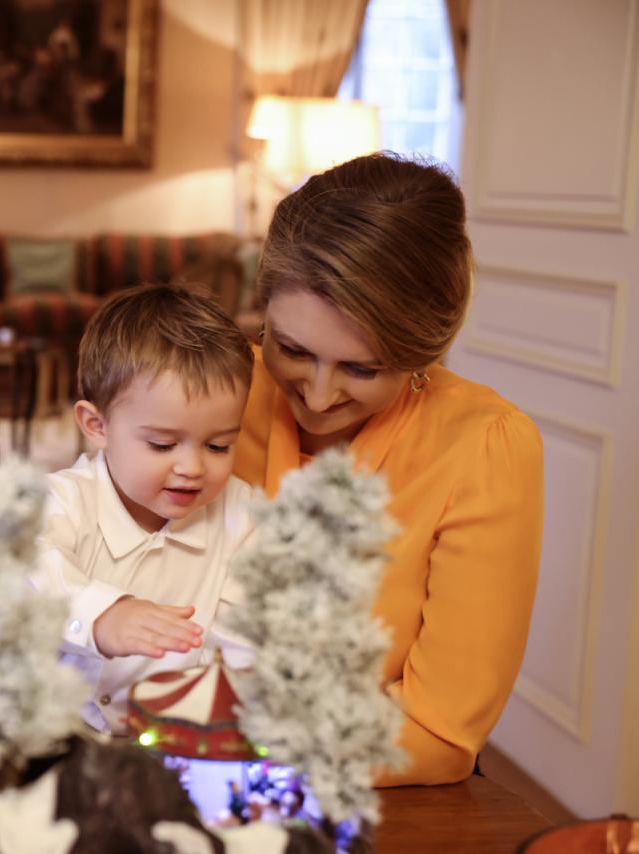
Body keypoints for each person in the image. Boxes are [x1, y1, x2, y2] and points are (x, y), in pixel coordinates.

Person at [235, 152, 544, 786]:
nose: (317, 397)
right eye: (290, 349)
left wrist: (236, 754)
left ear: (420, 352)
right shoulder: (214, 392)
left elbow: (438, 731)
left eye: (361, 368)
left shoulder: (484, 446)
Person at [28, 283, 256, 734]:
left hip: (178, 741)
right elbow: (21, 568)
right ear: (97, 426)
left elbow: (243, 643)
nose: (192, 468)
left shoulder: (244, 518)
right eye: (162, 444)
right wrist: (101, 615)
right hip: (52, 735)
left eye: (218, 445)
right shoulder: (61, 501)